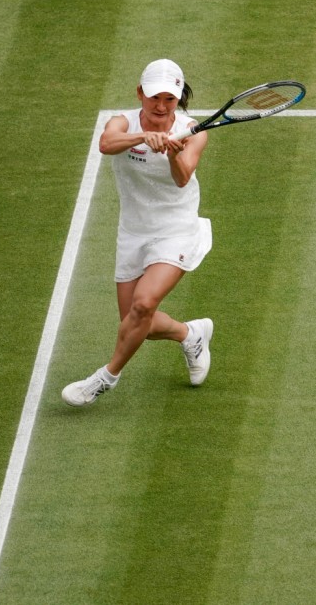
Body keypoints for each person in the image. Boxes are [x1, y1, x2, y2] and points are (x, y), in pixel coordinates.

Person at [62, 59, 215, 406]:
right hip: (133, 232)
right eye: (154, 98)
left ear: (178, 99)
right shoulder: (122, 122)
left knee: (144, 305)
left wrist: (173, 152)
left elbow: (182, 178)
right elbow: (106, 144)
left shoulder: (195, 131)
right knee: (134, 323)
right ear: (140, 94)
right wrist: (144, 136)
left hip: (177, 229)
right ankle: (190, 334)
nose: (161, 106)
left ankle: (104, 378)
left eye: (170, 99)